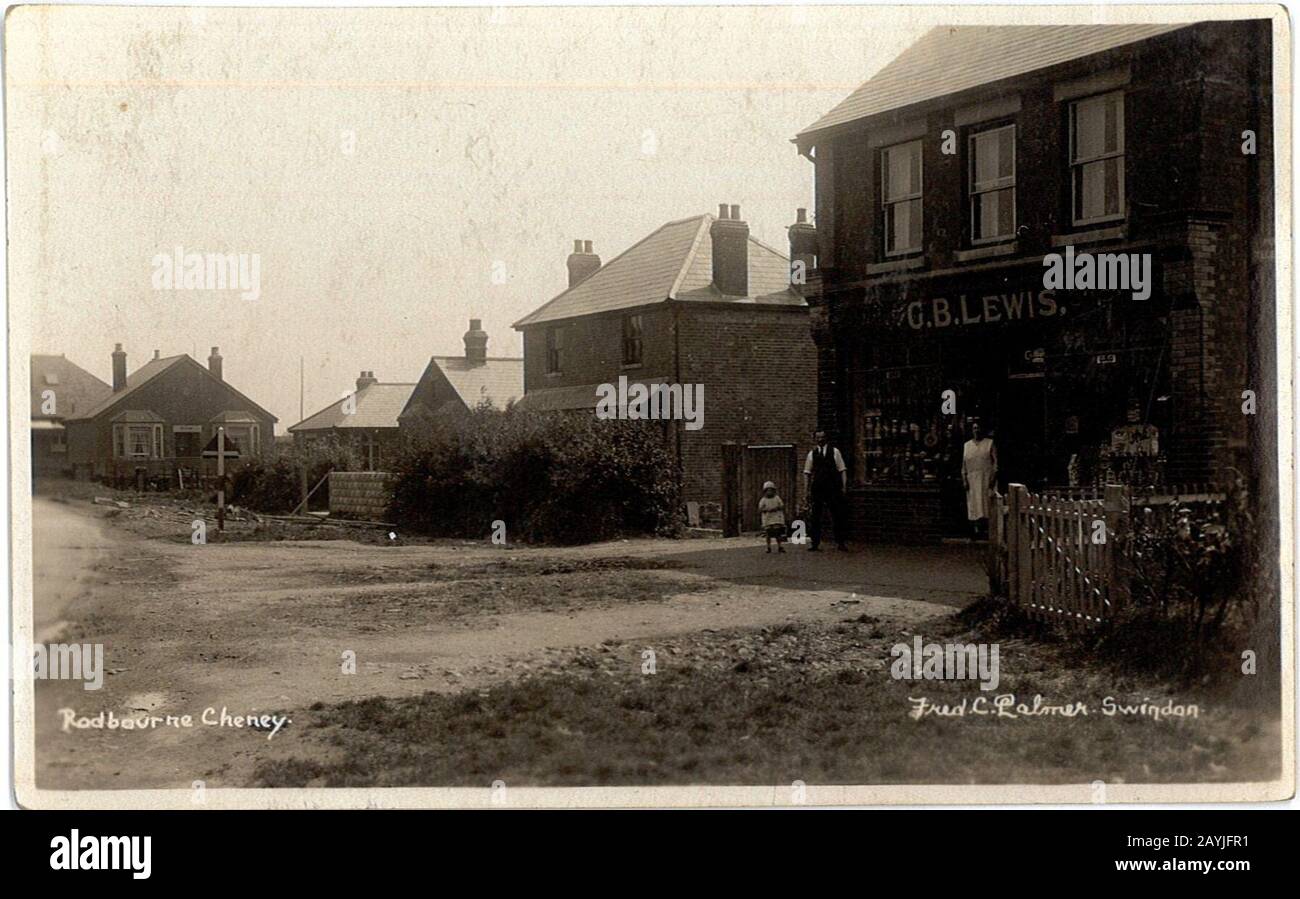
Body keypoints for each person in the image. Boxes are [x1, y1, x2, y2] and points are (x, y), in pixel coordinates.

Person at [803, 429, 848, 551]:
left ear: (826, 438)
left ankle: (840, 542)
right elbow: (807, 473)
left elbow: (842, 469)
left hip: (833, 488)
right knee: (815, 516)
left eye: (822, 437)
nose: (820, 439)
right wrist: (806, 491)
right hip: (818, 488)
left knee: (837, 515)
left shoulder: (834, 452)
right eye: (818, 437)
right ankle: (815, 543)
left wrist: (844, 486)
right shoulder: (812, 454)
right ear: (815, 439)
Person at [961, 419, 998, 539]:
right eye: (974, 428)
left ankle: (988, 530)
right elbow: (964, 465)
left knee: (986, 503)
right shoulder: (967, 446)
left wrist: (993, 477)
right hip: (972, 478)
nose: (977, 430)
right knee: (974, 504)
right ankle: (976, 530)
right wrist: (964, 479)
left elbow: (995, 463)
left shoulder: (989, 443)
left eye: (978, 428)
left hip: (986, 478)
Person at [758, 481, 786, 554]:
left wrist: (776, 508)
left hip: (776, 518)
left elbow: (782, 506)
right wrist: (767, 510)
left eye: (771, 490)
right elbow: (760, 509)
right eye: (768, 491)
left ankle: (780, 546)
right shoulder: (763, 500)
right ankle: (768, 546)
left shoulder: (777, 498)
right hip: (767, 518)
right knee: (768, 533)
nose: (769, 492)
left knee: (777, 532)